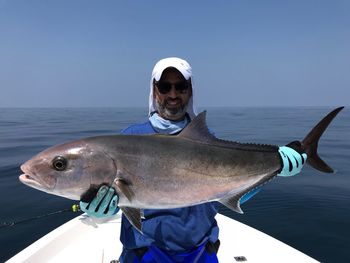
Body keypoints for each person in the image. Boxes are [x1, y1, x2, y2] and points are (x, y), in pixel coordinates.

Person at [79, 57, 307, 263]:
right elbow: (118, 196)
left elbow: (226, 194)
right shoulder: (129, 137)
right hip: (145, 254)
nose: (173, 94)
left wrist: (276, 168)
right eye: (165, 86)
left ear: (190, 91)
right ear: (154, 90)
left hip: (201, 253)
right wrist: (97, 209)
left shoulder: (207, 141)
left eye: (181, 86)